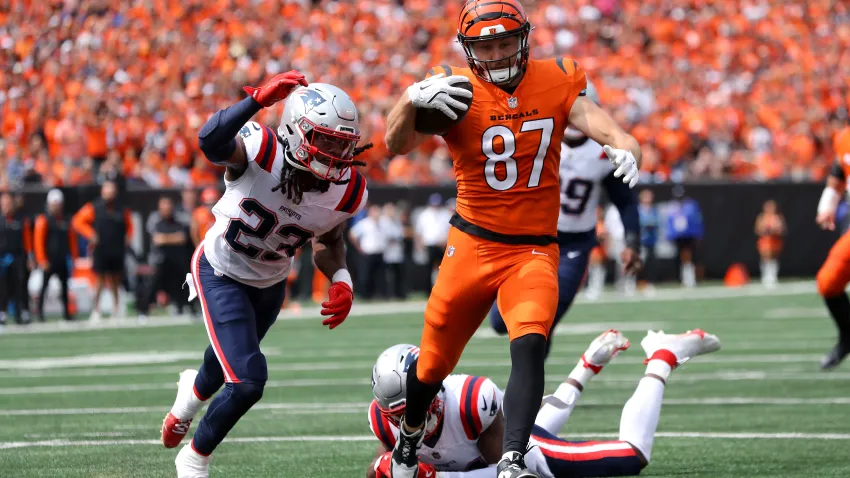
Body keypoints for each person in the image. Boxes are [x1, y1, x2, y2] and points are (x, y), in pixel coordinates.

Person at [383, 1, 642, 476]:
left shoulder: (559, 77)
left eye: (506, 42)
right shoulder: (455, 89)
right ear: (470, 49)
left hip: (533, 248)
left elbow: (602, 124)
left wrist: (627, 146)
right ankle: (409, 437)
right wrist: (409, 99)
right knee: (432, 364)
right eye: (487, 45)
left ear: (524, 38)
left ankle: (512, 458)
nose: (499, 54)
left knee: (529, 341)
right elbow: (396, 144)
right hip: (472, 244)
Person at [158, 71, 370, 478]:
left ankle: (188, 396)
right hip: (221, 269)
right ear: (295, 130)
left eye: (342, 144)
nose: (334, 153)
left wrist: (341, 278)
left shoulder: (347, 189)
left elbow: (328, 241)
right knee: (248, 379)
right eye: (324, 139)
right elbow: (210, 142)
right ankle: (194, 458)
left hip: (270, 282)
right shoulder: (262, 150)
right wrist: (254, 101)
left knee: (226, 361)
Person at [367, 328, 721, 478]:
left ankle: (663, 356)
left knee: (632, 457)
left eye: (419, 401)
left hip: (519, 453)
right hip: (494, 450)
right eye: (398, 414)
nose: (410, 418)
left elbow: (513, 465)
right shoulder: (383, 423)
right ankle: (587, 365)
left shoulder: (471, 403)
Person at [488, 81, 639, 356]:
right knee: (500, 323)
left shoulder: (602, 152)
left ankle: (529, 396)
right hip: (530, 239)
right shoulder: (536, 136)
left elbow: (625, 200)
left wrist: (632, 241)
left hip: (573, 244)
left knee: (540, 324)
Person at [814, 125, 850, 369]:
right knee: (828, 281)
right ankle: (848, 336)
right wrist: (828, 202)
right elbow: (840, 171)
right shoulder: (845, 136)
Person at [71, 180, 133, 321]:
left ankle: (117, 309)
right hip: (101, 248)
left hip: (116, 248)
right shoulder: (94, 207)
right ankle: (96, 309)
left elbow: (129, 226)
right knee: (99, 279)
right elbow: (77, 221)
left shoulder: (122, 209)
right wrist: (91, 234)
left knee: (115, 279)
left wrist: (128, 238)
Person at [34, 189, 78, 322]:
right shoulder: (44, 219)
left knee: (64, 287)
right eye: (54, 203)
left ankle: (67, 313)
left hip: (62, 258)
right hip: (49, 259)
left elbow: (72, 240)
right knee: (44, 287)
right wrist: (42, 259)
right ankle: (40, 314)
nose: (56, 206)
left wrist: (74, 257)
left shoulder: (65, 219)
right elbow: (38, 241)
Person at [0, 191, 33, 325]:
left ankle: (21, 312)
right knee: (2, 286)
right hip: (2, 258)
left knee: (20, 284)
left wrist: (30, 257)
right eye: (4, 203)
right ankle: (2, 312)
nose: (6, 206)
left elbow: (27, 240)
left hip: (18, 257)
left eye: (8, 203)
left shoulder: (21, 219)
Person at [665, 185, 703, 288]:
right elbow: (669, 222)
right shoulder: (672, 206)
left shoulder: (691, 205)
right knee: (681, 258)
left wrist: (698, 234)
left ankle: (691, 278)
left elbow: (697, 220)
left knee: (691, 257)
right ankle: (685, 278)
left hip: (690, 235)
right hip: (678, 236)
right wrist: (670, 235)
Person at [754, 200, 785, 288]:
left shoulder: (777, 217)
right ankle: (765, 276)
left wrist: (774, 230)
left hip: (774, 241)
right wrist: (765, 230)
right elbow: (758, 229)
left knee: (774, 259)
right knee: (765, 258)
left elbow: (782, 229)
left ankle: (773, 276)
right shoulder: (762, 217)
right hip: (765, 241)